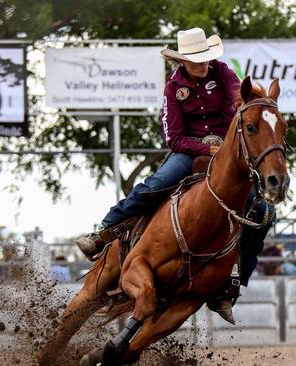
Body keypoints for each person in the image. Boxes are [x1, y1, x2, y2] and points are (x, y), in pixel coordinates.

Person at [75, 27, 274, 324]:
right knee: (155, 184)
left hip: (231, 154)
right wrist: (205, 150)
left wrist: (229, 144)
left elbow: (243, 108)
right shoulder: (174, 88)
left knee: (264, 212)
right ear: (182, 61)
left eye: (205, 58)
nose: (203, 64)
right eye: (196, 60)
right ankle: (106, 230)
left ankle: (232, 284)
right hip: (191, 153)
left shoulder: (224, 75)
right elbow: (175, 139)